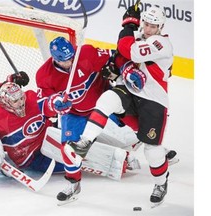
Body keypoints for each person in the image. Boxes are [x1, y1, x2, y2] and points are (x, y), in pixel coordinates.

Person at [59, 5, 174, 206]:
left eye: (153, 26)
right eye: (145, 24)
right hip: (129, 93)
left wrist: (128, 25)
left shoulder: (161, 43)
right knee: (107, 99)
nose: (148, 29)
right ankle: (84, 143)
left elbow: (129, 50)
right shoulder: (138, 37)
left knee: (152, 150)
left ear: (160, 26)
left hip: (153, 100)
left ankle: (160, 183)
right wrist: (123, 67)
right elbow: (120, 56)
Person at [35, 36, 142, 204]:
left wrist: (123, 69)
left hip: (103, 99)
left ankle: (158, 149)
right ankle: (74, 184)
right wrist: (55, 103)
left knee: (137, 122)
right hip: (75, 114)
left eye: (71, 57)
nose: (70, 62)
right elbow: (43, 104)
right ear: (55, 59)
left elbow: (116, 57)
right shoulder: (44, 75)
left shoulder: (85, 53)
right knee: (68, 149)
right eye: (65, 61)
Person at [0, 82, 65, 173]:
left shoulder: (31, 97)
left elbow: (46, 103)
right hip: (30, 157)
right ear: (6, 101)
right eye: (16, 100)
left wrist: (54, 103)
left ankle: (75, 156)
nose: (21, 102)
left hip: (49, 140)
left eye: (21, 98)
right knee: (65, 164)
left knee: (67, 144)